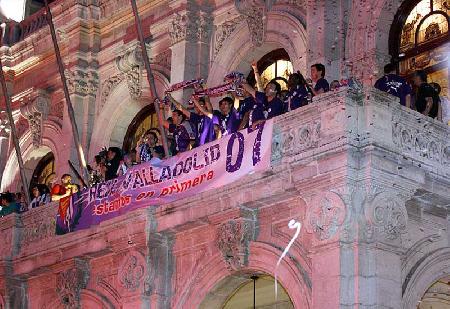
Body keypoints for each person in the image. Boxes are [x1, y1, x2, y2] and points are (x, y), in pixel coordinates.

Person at [242, 61, 284, 129]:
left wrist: (260, 121)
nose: (267, 88)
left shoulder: (277, 103)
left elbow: (275, 119)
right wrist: (240, 81)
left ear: (276, 91)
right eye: (267, 86)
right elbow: (251, 90)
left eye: (270, 87)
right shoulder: (262, 98)